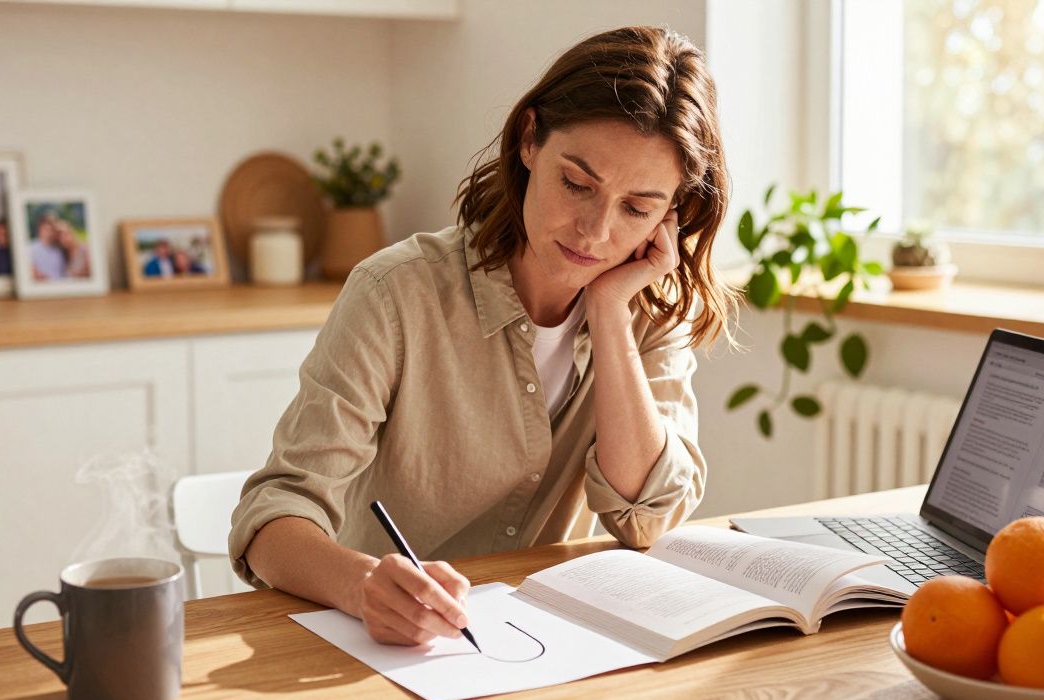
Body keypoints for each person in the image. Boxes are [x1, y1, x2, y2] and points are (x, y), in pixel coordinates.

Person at [229, 26, 736, 648]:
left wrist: (607, 312)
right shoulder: (395, 293)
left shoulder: (648, 311)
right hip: (385, 651)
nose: (595, 231)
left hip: (558, 649)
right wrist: (365, 587)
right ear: (529, 140)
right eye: (577, 184)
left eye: (637, 209)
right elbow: (274, 517)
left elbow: (647, 520)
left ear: (670, 215)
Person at [29, 213, 66, 281]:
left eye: (52, 230)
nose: (49, 233)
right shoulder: (30, 249)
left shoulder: (60, 250)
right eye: (46, 229)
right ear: (39, 230)